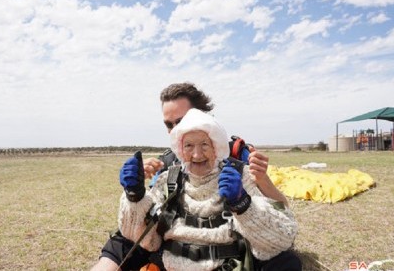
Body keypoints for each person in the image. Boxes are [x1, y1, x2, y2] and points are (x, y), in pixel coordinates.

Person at [91, 83, 297, 270]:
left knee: (284, 259)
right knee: (123, 239)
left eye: (180, 121)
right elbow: (149, 219)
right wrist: (135, 193)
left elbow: (280, 216)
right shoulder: (168, 164)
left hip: (230, 244)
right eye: (169, 125)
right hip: (172, 248)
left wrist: (248, 196)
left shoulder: (238, 158)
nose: (196, 154)